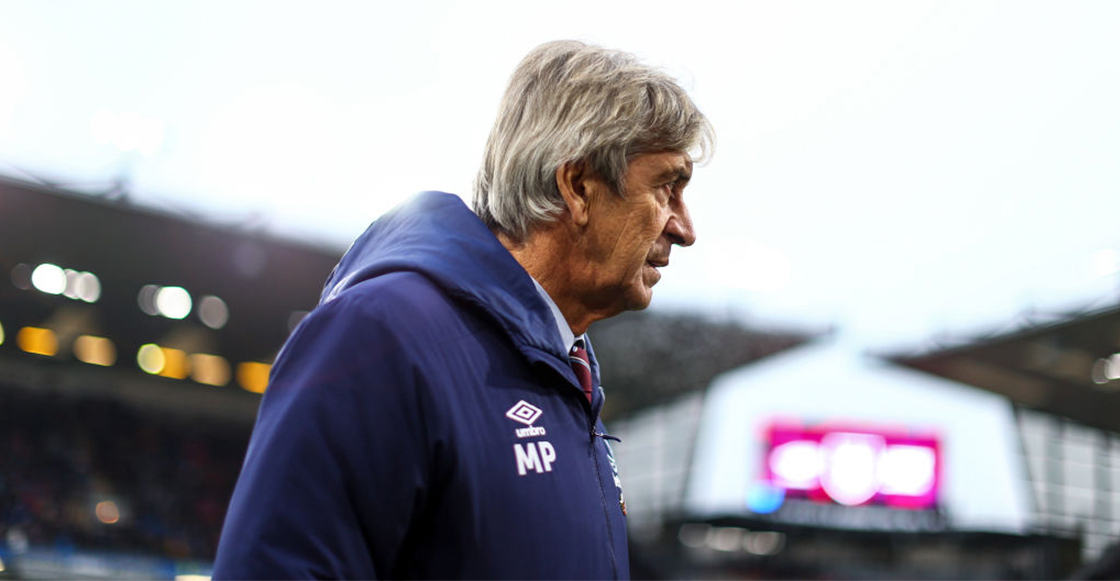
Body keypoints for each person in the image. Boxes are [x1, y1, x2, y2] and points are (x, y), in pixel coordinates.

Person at [212, 39, 713, 580]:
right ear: (578, 186)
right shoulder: (382, 334)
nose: (685, 229)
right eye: (666, 187)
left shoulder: (567, 373)